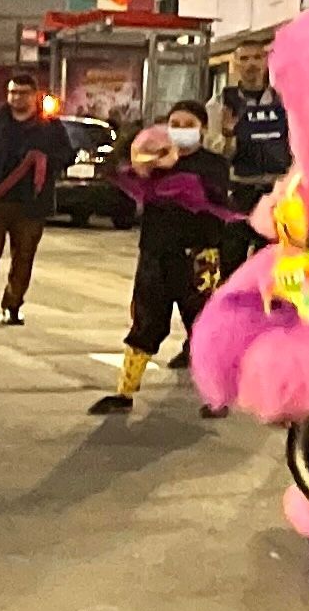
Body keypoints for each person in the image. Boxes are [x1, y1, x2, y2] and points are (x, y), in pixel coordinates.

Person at [95, 106, 242, 416]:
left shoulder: (212, 164)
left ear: (201, 128)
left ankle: (216, 397)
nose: (180, 129)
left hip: (198, 258)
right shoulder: (149, 162)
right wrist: (131, 149)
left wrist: (170, 172)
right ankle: (124, 392)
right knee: (145, 324)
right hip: (155, 255)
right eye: (174, 123)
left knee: (204, 328)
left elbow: (210, 193)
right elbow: (112, 172)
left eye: (188, 124)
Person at [0, 75, 75, 326]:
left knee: (24, 258)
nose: (16, 98)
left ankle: (13, 305)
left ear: (34, 95)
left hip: (31, 204)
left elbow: (67, 155)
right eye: (12, 93)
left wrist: (44, 159)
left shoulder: (49, 127)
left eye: (22, 93)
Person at [216, 49, 292, 189]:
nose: (251, 63)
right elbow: (213, 152)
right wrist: (228, 136)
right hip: (241, 184)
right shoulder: (222, 103)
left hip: (280, 183)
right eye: (244, 58)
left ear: (267, 61)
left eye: (257, 57)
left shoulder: (285, 99)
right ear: (235, 64)